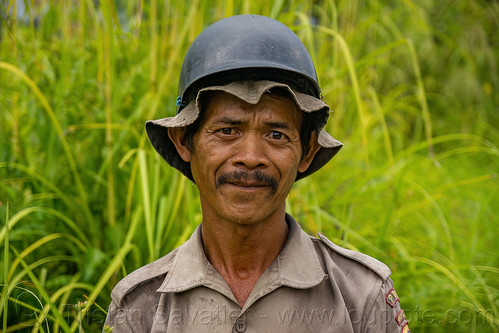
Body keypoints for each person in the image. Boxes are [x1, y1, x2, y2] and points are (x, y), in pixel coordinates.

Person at [103, 15, 409, 332]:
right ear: (184, 141)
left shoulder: (362, 295)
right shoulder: (139, 308)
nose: (250, 158)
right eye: (227, 130)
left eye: (276, 135)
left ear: (308, 151)